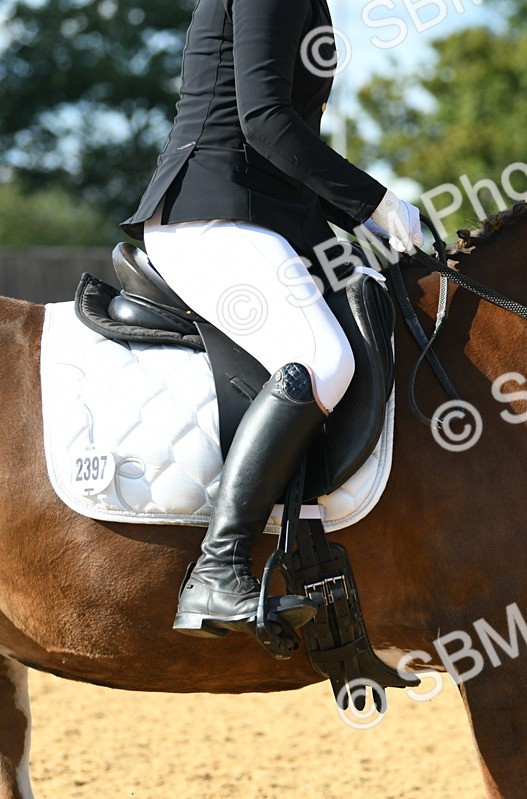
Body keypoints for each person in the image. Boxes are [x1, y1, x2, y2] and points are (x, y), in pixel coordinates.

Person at [121, 0, 421, 639]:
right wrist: (375, 203)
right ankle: (217, 568)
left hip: (265, 219)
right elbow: (264, 122)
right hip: (213, 214)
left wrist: (358, 236)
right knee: (322, 361)